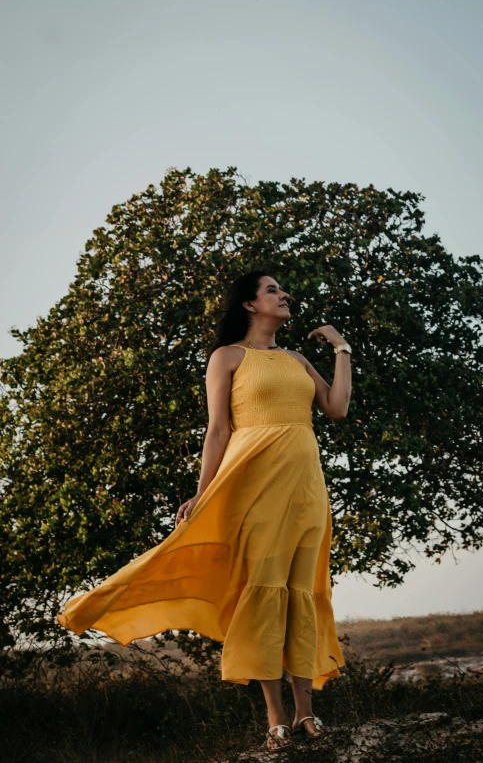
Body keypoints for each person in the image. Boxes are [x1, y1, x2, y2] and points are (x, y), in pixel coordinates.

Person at [57, 270, 352, 753]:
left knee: (303, 593)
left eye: (283, 289)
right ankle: (276, 719)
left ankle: (308, 714)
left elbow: (336, 408)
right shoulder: (228, 357)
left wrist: (341, 348)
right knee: (264, 593)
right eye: (272, 290)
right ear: (250, 305)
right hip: (255, 486)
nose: (284, 295)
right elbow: (218, 430)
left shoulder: (297, 359)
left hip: (306, 492)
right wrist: (203, 492)